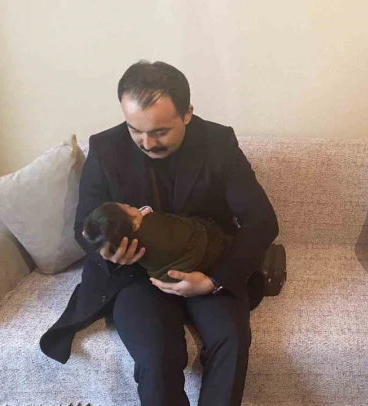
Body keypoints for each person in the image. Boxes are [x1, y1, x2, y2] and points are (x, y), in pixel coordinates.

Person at [40, 61, 279, 406]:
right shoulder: (106, 148)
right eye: (135, 130)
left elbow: (261, 220)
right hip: (135, 275)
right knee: (157, 357)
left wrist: (214, 281)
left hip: (207, 263)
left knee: (232, 342)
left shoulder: (218, 142)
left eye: (161, 131)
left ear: (187, 114)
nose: (147, 143)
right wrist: (108, 252)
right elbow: (83, 225)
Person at [82, 203, 231, 283]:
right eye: (128, 207)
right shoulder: (150, 224)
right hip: (209, 251)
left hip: (171, 278)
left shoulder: (127, 238)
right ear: (133, 223)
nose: (130, 206)